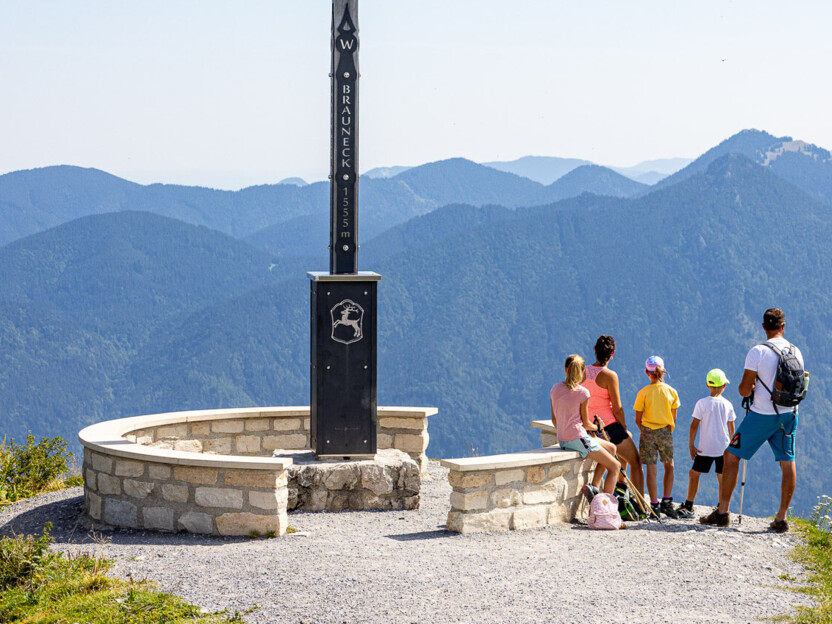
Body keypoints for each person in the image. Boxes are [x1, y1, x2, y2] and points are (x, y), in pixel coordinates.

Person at [701, 308, 804, 532]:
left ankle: (722, 512)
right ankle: (781, 518)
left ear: (764, 327)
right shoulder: (796, 351)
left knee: (731, 456)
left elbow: (743, 390)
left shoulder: (757, 352)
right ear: (783, 326)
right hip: (789, 414)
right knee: (788, 462)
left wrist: (754, 387)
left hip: (762, 415)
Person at [582, 335, 644, 497]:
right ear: (612, 354)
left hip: (590, 426)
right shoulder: (610, 376)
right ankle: (640, 504)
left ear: (595, 351)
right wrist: (623, 427)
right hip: (609, 426)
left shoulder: (583, 372)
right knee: (635, 462)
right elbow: (617, 408)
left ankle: (616, 488)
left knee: (619, 452)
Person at [551, 354, 620, 495]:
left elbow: (554, 419)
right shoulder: (583, 392)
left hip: (563, 438)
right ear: (583, 372)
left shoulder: (555, 389)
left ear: (565, 369)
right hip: (578, 437)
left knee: (611, 448)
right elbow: (586, 424)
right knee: (615, 467)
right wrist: (598, 427)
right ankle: (603, 508)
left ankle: (594, 487)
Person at [676, 368, 736, 518]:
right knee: (722, 477)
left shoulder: (701, 403)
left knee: (694, 474)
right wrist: (733, 446)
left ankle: (689, 506)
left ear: (707, 385)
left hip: (705, 449)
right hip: (724, 448)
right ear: (724, 386)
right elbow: (731, 426)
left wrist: (691, 445)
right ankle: (721, 506)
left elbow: (694, 425)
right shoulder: (728, 404)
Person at [634, 355, 680, 519]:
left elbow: (637, 418)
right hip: (665, 432)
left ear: (647, 372)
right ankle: (666, 502)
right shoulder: (671, 392)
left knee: (651, 469)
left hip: (647, 432)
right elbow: (674, 417)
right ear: (664, 371)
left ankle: (654, 505)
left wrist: (644, 430)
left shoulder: (643, 393)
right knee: (669, 466)